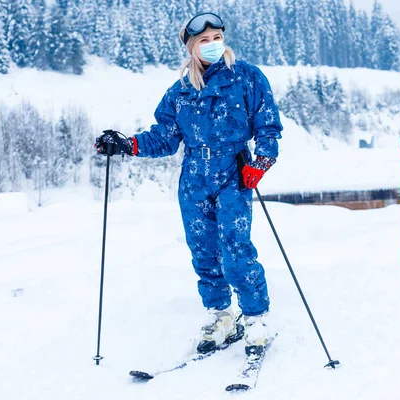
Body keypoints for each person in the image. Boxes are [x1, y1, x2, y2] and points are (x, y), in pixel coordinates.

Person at [94, 12, 283, 354]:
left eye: (216, 38)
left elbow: (268, 127)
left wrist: (261, 162)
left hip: (233, 174)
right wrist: (126, 144)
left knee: (235, 250)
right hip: (194, 178)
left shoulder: (247, 78)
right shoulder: (180, 92)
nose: (212, 45)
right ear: (192, 47)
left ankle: (255, 318)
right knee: (204, 253)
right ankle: (222, 315)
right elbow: (164, 138)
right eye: (203, 41)